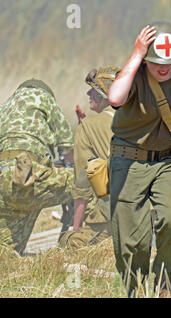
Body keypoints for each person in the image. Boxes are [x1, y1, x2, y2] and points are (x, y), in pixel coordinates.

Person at [107, 20, 171, 297]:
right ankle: (135, 290)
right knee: (130, 241)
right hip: (129, 160)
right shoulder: (134, 73)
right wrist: (137, 54)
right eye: (156, 62)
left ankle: (163, 277)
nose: (164, 68)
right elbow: (115, 98)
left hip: (169, 158)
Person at [0, 79, 74, 255]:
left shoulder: (4, 107)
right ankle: (91, 240)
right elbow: (67, 146)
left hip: (5, 180)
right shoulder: (43, 98)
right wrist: (67, 167)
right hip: (29, 177)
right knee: (87, 181)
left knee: (8, 252)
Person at [59, 66, 119, 249]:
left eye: (93, 89)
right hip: (146, 214)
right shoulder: (140, 120)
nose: (88, 93)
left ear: (103, 94)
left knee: (67, 242)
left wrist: (76, 229)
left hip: (114, 216)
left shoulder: (89, 126)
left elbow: (82, 186)